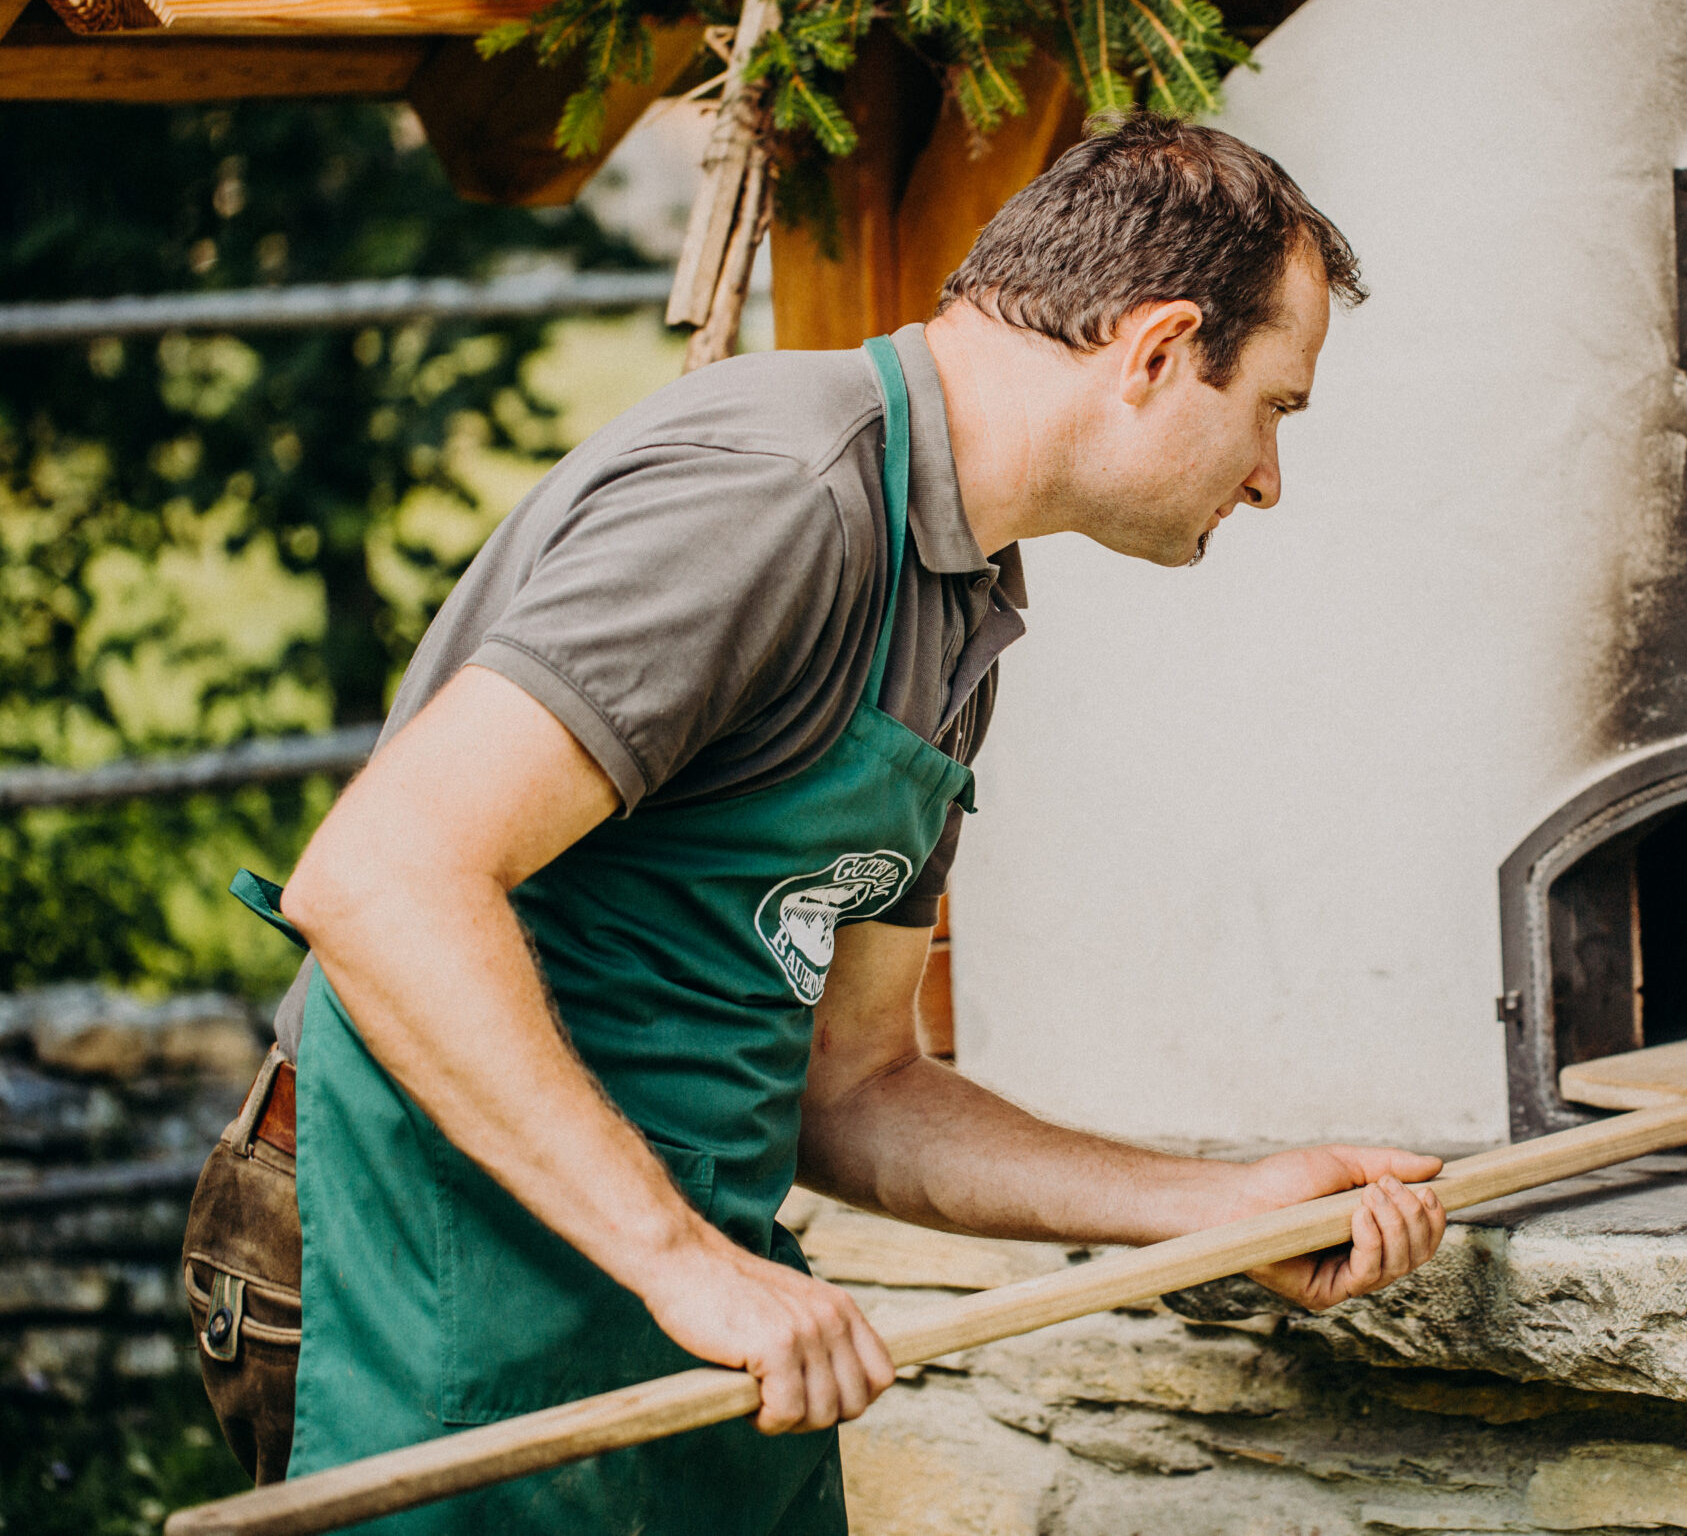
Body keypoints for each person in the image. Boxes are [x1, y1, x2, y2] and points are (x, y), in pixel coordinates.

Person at [178, 114, 1449, 1532]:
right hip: (428, 1262)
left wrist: (1208, 1205)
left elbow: (853, 1093)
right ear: (1154, 350)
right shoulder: (776, 497)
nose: (1272, 477)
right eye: (1277, 406)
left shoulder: (959, 603)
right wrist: (681, 1261)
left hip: (668, 1281)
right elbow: (380, 880)